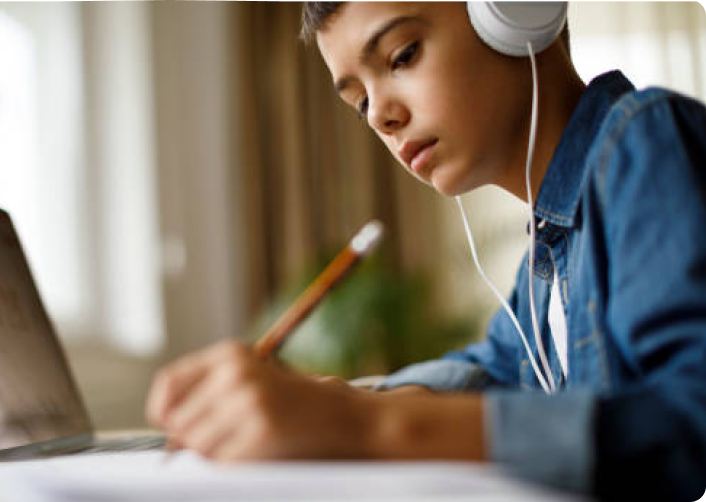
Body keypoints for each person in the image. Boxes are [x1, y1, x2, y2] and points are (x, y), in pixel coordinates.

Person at [146, 3, 706, 499]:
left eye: (402, 55)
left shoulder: (645, 142)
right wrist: (344, 404)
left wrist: (367, 429)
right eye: (360, 103)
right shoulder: (551, 253)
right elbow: (489, 368)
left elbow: (693, 425)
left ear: (517, 12)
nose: (382, 117)